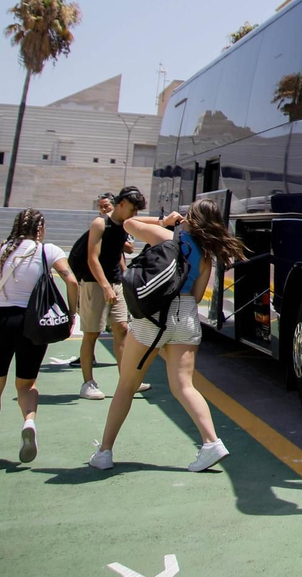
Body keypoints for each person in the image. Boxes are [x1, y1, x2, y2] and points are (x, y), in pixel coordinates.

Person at [88, 198, 245, 473]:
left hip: (154, 315)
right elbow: (197, 296)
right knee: (184, 385)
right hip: (185, 314)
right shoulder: (207, 254)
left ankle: (105, 451)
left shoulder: (165, 235)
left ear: (190, 217)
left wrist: (164, 221)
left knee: (126, 385)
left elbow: (127, 223)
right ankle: (211, 442)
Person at [0, 208, 78, 466]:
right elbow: (71, 281)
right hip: (33, 323)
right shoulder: (48, 250)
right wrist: (72, 313)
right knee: (26, 385)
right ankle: (29, 421)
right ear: (40, 228)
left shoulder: (2, 250)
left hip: (0, 321)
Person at [70, 186, 150, 400]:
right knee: (92, 333)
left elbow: (121, 252)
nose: (134, 214)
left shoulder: (125, 224)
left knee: (122, 329)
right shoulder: (100, 223)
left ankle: (127, 380)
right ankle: (88, 383)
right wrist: (105, 285)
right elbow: (92, 258)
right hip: (95, 283)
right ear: (121, 204)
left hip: (116, 283)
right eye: (133, 209)